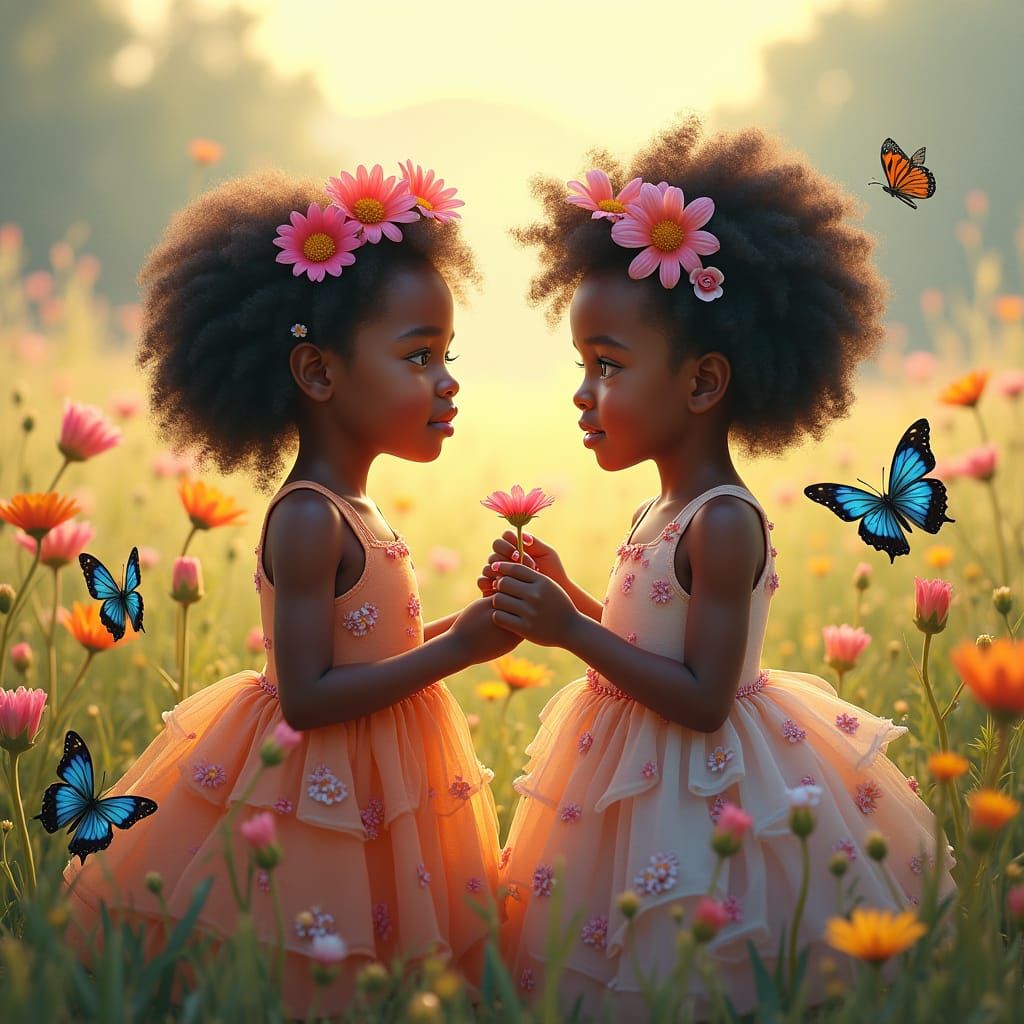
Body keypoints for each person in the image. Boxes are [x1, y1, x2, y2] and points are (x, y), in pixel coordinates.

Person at [479, 118, 955, 1018]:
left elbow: (702, 696)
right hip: (627, 769)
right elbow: (642, 640)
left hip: (701, 790)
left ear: (702, 384)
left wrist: (567, 629)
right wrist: (569, 594)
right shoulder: (659, 508)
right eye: (582, 366)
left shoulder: (724, 523)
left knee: (690, 954)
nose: (584, 395)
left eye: (608, 367)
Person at [64, 164, 516, 1016]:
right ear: (317, 372)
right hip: (315, 781)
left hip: (380, 764)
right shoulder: (310, 517)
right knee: (308, 949)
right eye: (419, 356)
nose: (447, 380)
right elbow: (308, 697)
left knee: (383, 941)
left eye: (447, 355)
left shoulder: (358, 505)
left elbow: (371, 651)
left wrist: (473, 621)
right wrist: (458, 650)